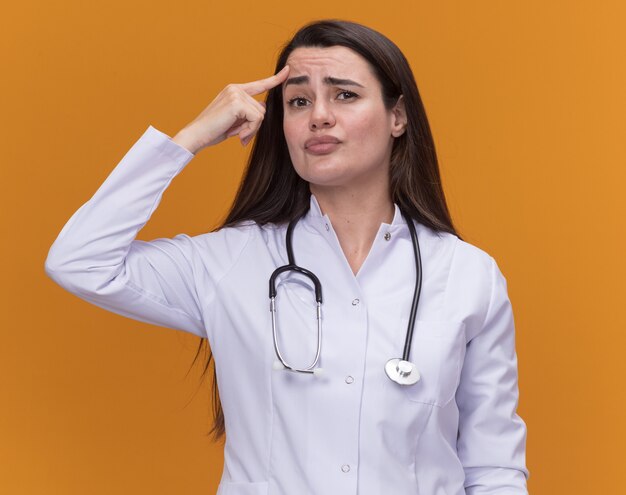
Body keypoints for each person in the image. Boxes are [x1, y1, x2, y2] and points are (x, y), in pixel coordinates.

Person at [45, 18, 529, 495]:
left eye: (344, 95)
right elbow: (80, 262)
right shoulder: (231, 260)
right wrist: (189, 139)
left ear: (397, 117)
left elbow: (493, 469)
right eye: (298, 101)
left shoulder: (467, 275)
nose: (319, 115)